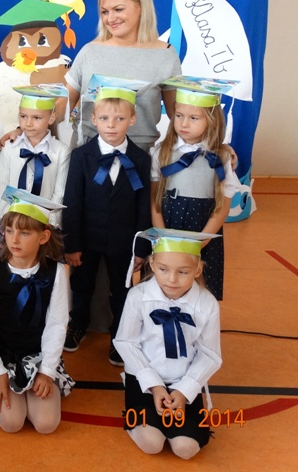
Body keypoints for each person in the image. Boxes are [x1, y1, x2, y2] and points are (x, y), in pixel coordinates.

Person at [62, 76, 152, 364]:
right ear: (94, 120)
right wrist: (72, 244)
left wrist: (141, 249)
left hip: (124, 242)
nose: (111, 125)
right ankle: (77, 324)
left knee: (122, 291)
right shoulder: (81, 156)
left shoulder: (141, 159)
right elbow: (72, 202)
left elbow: (143, 207)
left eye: (119, 118)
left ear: (132, 120)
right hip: (87, 239)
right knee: (82, 286)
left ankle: (119, 336)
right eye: (104, 118)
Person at [114, 228, 222, 460]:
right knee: (151, 443)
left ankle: (183, 414)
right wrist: (155, 386)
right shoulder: (138, 296)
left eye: (183, 272)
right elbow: (126, 342)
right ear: (152, 265)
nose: (172, 279)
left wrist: (184, 391)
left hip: (184, 379)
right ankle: (141, 419)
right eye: (163, 269)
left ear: (198, 269)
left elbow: (210, 354)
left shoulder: (207, 303)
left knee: (186, 448)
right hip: (144, 379)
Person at [0, 188, 74, 434]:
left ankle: (32, 387)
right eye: (9, 231)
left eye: (24, 232)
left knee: (46, 424)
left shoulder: (56, 272)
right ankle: (11, 385)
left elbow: (57, 324)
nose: (14, 239)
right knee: (12, 423)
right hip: (3, 355)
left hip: (39, 355)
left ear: (43, 236)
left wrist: (47, 372)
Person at [63, 0, 182, 152]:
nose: (110, 19)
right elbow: (62, 105)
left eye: (118, 9)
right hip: (87, 154)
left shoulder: (166, 55)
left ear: (141, 7)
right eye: (105, 12)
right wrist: (26, 124)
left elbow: (179, 116)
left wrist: (211, 145)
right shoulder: (90, 51)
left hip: (139, 155)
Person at [151, 77, 241, 300]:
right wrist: (162, 237)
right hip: (168, 228)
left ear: (211, 120)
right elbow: (154, 200)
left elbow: (223, 204)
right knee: (165, 284)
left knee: (200, 288)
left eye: (193, 118)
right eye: (179, 116)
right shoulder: (161, 152)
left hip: (203, 229)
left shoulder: (221, 157)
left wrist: (205, 239)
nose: (183, 124)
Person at [0, 85, 70, 261]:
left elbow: (59, 193)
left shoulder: (61, 151)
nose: (28, 123)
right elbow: (1, 186)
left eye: (36, 118)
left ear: (51, 118)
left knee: (43, 271)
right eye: (23, 116)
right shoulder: (9, 148)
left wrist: (49, 223)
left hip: (43, 226)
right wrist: (5, 220)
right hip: (11, 225)